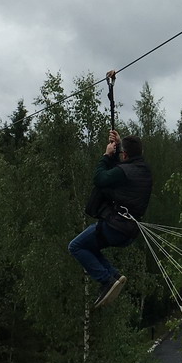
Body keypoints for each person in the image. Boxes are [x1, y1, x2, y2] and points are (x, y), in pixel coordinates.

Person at [69, 129, 153, 309]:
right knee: (90, 247)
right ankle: (114, 276)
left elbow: (100, 179)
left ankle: (106, 280)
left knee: (76, 246)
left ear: (124, 154)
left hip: (115, 228)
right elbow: (121, 172)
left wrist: (106, 156)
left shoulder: (124, 171)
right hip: (129, 232)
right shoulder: (144, 171)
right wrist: (119, 147)